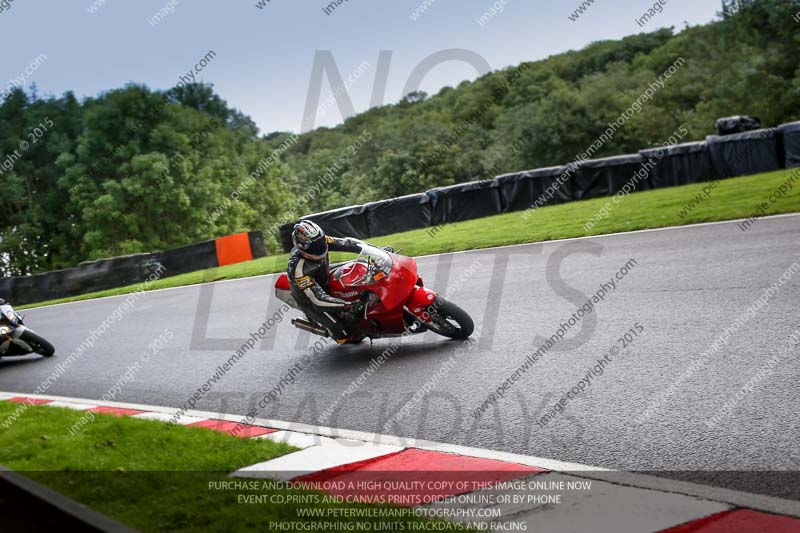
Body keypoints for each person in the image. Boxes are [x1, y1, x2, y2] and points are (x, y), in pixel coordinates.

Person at [288, 220, 392, 344]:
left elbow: (350, 244)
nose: (321, 247)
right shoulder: (298, 269)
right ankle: (338, 332)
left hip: (324, 274)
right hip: (309, 298)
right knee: (344, 333)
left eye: (320, 242)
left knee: (362, 265)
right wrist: (348, 305)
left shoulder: (323, 241)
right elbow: (317, 299)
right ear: (302, 248)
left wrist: (379, 252)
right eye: (315, 247)